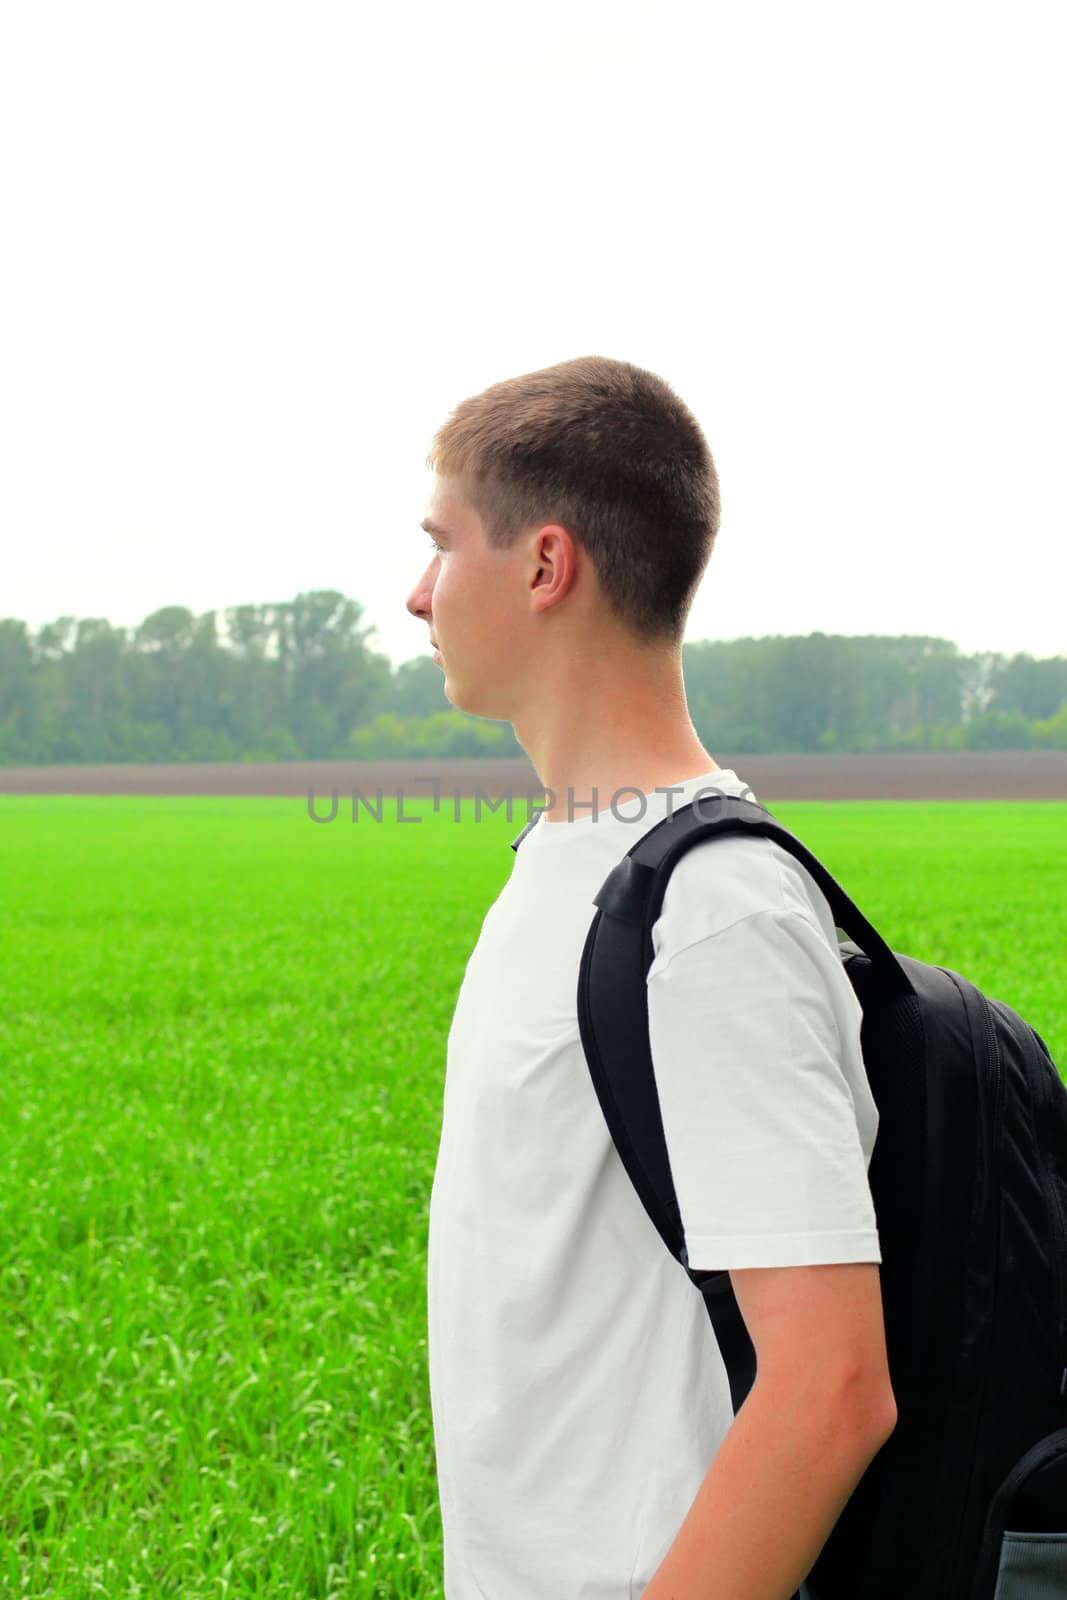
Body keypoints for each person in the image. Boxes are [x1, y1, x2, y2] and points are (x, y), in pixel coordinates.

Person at [405, 356, 896, 1600]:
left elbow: (830, 1387)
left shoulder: (711, 910)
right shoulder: (571, 861)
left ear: (542, 565)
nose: (415, 595)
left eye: (439, 544)